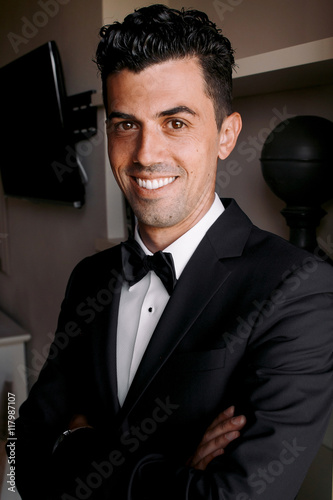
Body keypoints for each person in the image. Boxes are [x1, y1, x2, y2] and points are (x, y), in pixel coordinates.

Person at [12, 4, 333, 500]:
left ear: (226, 135)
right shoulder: (90, 278)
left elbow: (237, 498)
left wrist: (75, 444)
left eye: (176, 122)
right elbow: (24, 457)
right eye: (125, 124)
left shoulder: (300, 287)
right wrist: (175, 473)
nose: (145, 154)